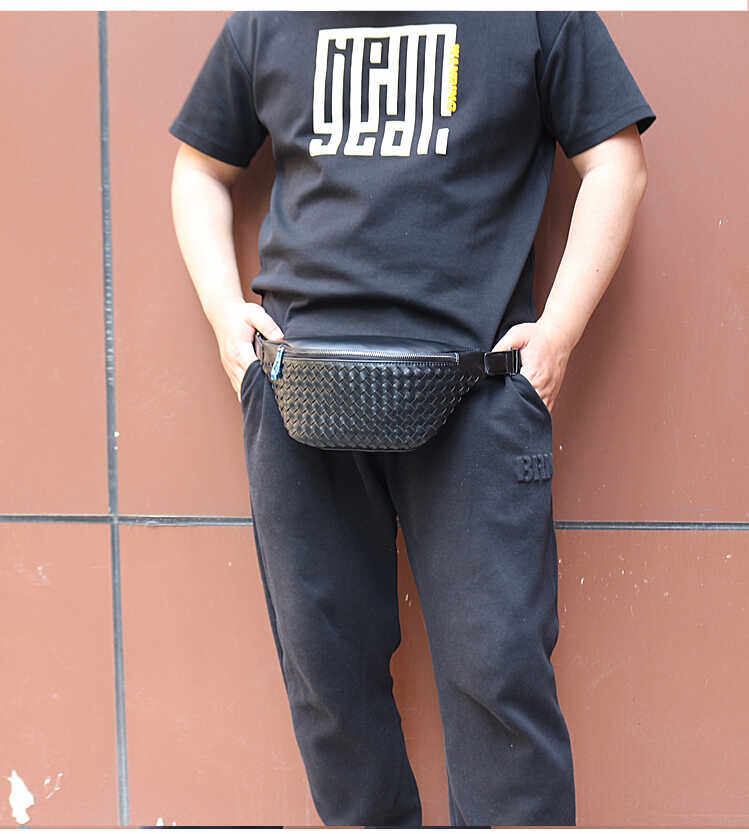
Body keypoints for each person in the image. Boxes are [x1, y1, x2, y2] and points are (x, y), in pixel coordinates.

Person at [168, 11, 655, 827]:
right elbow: (198, 169)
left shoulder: (537, 15)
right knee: (327, 684)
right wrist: (227, 318)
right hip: (299, 395)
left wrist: (558, 335)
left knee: (498, 683)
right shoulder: (267, 19)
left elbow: (617, 162)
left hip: (477, 393)